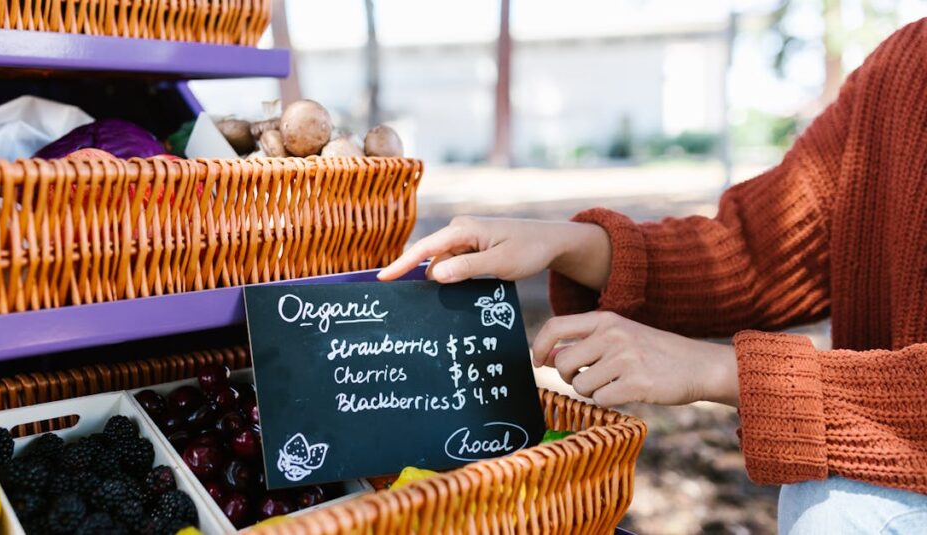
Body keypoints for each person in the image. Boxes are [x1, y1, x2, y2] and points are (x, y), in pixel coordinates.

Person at [379, 18, 927, 535]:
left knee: (843, 508)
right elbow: (754, 251)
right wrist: (568, 245)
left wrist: (716, 371)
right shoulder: (905, 64)